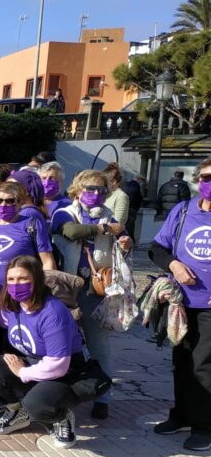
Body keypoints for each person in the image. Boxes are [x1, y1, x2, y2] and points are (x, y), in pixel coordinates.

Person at [0, 255, 91, 449]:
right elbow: (4, 318)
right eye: (11, 279)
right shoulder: (16, 305)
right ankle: (18, 412)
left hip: (66, 371)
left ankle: (61, 416)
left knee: (35, 404)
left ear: (36, 280)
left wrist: (22, 372)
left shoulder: (53, 312)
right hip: (34, 362)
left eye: (22, 279)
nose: (15, 284)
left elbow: (58, 365)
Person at [51, 169, 135, 418]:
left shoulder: (109, 216)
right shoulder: (64, 212)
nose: (96, 193)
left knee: (99, 346)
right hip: (65, 290)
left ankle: (103, 397)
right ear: (77, 190)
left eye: (101, 189)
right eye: (90, 188)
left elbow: (123, 238)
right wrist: (103, 229)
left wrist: (125, 242)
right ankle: (62, 396)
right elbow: (71, 232)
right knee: (63, 346)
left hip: (94, 290)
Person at [149, 157, 211, 451]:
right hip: (181, 302)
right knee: (181, 362)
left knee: (204, 365)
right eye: (207, 177)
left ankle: (204, 426)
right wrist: (173, 264)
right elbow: (157, 248)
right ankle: (183, 415)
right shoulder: (183, 211)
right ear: (198, 181)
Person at [0, 182, 55, 299]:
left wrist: (43, 292)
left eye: (10, 201)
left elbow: (47, 261)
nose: (3, 204)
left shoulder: (31, 224)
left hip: (16, 295)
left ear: (20, 202)